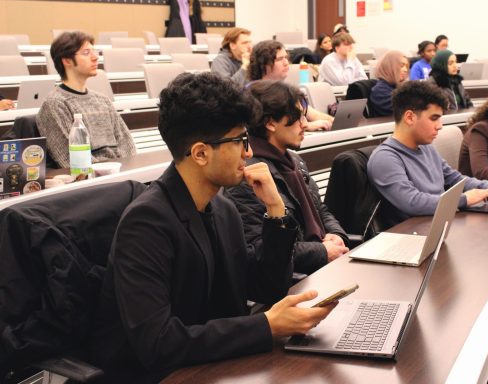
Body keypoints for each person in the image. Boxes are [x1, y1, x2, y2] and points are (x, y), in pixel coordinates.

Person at [90, 73, 335, 382]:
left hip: (217, 364)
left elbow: (265, 287)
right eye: (240, 141)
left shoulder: (222, 208)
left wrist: (276, 211)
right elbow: (158, 343)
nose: (248, 152)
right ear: (201, 153)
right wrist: (266, 326)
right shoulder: (146, 224)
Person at [226, 80, 349, 274]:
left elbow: (320, 209)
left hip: (321, 267)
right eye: (297, 117)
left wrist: (335, 234)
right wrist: (322, 251)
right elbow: (264, 249)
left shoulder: (294, 160)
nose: (305, 124)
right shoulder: (249, 176)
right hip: (295, 280)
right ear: (271, 123)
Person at [367, 80, 488, 227]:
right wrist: (464, 199)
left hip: (439, 224)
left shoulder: (426, 147)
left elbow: (455, 179)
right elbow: (412, 202)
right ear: (410, 117)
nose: (440, 126)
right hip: (414, 235)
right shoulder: (385, 158)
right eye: (434, 118)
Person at [35, 31, 136, 168]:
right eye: (86, 53)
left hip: (118, 172)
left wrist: (125, 168)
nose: (95, 57)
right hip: (93, 180)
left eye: (94, 52)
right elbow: (69, 158)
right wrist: (109, 171)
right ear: (67, 61)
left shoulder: (103, 100)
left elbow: (126, 143)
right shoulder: (55, 104)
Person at [248, 40, 333, 131]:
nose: (286, 63)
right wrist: (307, 126)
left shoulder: (286, 90)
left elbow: (315, 115)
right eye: (280, 59)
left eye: (286, 58)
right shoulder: (253, 93)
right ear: (263, 64)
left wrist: (336, 121)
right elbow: (272, 128)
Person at [369, 50, 409, 117]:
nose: (405, 70)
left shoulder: (398, 87)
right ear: (389, 66)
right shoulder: (380, 91)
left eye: (406, 66)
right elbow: (405, 111)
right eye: (402, 65)